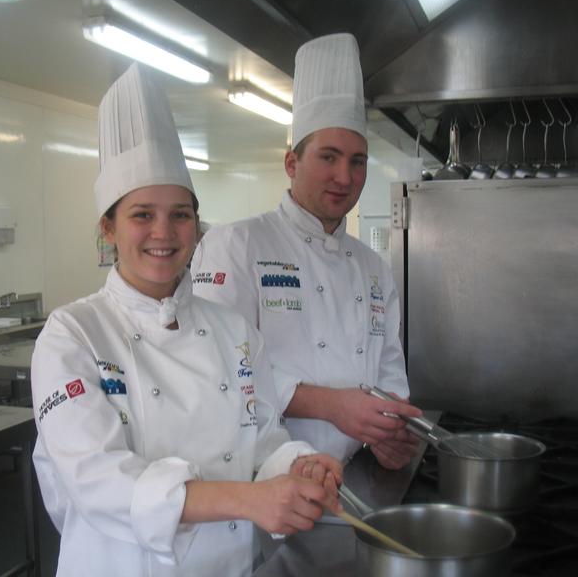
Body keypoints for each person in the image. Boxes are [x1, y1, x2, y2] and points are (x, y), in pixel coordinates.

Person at [31, 63, 342, 577]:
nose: (165, 231)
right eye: (142, 214)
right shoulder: (72, 335)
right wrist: (248, 500)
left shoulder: (232, 330)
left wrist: (297, 464)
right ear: (108, 227)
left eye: (180, 214)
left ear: (197, 226)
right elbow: (98, 482)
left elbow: (263, 439)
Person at [191, 33, 422, 467]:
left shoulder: (374, 268)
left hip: (357, 476)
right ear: (291, 164)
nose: (344, 176)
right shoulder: (237, 245)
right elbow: (219, 367)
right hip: (270, 481)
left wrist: (390, 433)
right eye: (328, 157)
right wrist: (331, 405)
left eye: (357, 161)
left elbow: (390, 367)